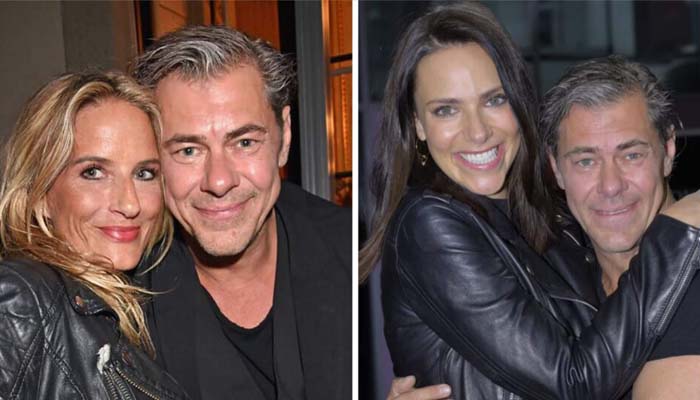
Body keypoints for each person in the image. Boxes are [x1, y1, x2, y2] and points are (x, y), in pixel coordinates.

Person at [359, 3, 700, 400]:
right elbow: (573, 382)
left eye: (494, 100)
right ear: (417, 123)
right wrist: (675, 233)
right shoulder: (429, 224)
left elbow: (608, 360)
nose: (477, 132)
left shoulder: (556, 221)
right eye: (446, 110)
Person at [131, 26, 351, 400]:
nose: (219, 181)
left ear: (284, 138)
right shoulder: (121, 302)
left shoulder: (358, 255)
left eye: (245, 142)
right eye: (188, 151)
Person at [0, 72, 189, 399]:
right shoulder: (22, 297)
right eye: (94, 172)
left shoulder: (130, 306)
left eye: (144, 173)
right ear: (40, 193)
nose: (130, 204)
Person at [540, 55, 700, 399]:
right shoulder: (552, 286)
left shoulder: (694, 292)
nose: (610, 185)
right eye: (586, 161)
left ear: (668, 150)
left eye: (631, 155)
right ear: (556, 169)